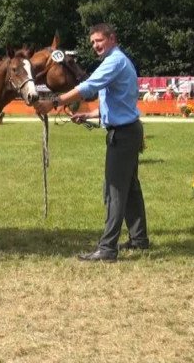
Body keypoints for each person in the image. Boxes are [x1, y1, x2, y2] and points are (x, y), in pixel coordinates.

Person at [35, 23, 149, 262]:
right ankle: (139, 240)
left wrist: (54, 102)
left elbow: (88, 87)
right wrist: (88, 115)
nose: (96, 46)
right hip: (128, 130)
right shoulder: (117, 61)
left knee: (114, 191)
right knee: (131, 189)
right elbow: (117, 103)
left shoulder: (114, 62)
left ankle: (107, 249)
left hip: (123, 135)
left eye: (99, 40)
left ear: (112, 38)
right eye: (93, 42)